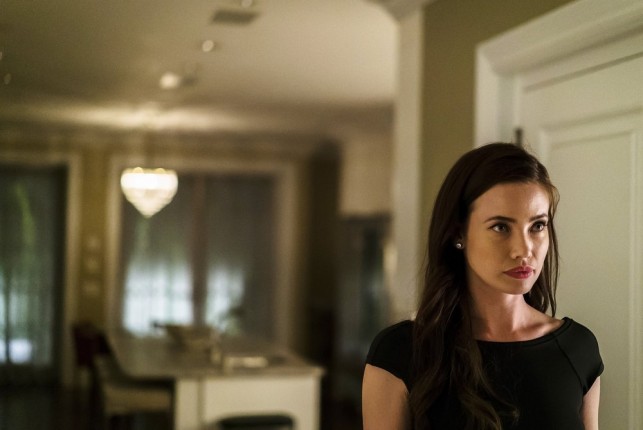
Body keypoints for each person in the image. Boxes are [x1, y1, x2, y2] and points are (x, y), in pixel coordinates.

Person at [362, 143, 603, 430]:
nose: (523, 249)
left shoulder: (578, 348)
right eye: (501, 227)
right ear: (458, 234)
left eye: (537, 226)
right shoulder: (400, 352)